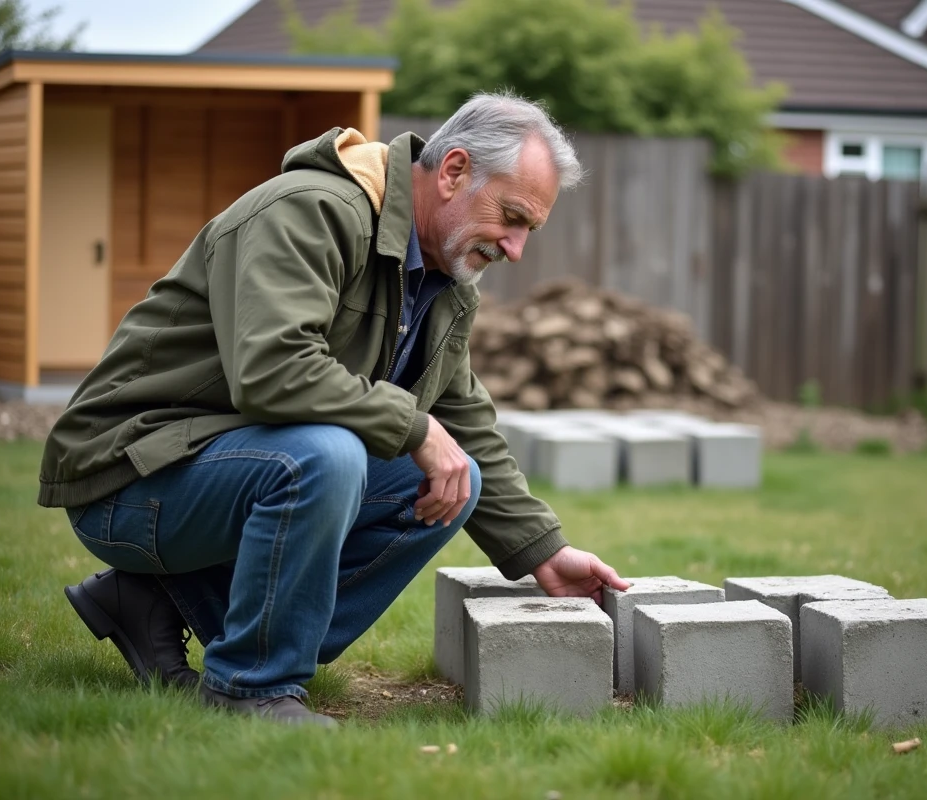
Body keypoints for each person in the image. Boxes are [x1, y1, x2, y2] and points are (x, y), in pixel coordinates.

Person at [38, 92, 630, 726]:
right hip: (127, 475)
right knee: (329, 455)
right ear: (454, 171)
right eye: (511, 217)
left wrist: (543, 551)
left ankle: (159, 604)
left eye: (528, 231)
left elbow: (464, 424)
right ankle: (251, 687)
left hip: (228, 467)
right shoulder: (310, 213)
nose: (516, 248)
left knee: (454, 478)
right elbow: (272, 371)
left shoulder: (442, 281)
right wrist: (412, 425)